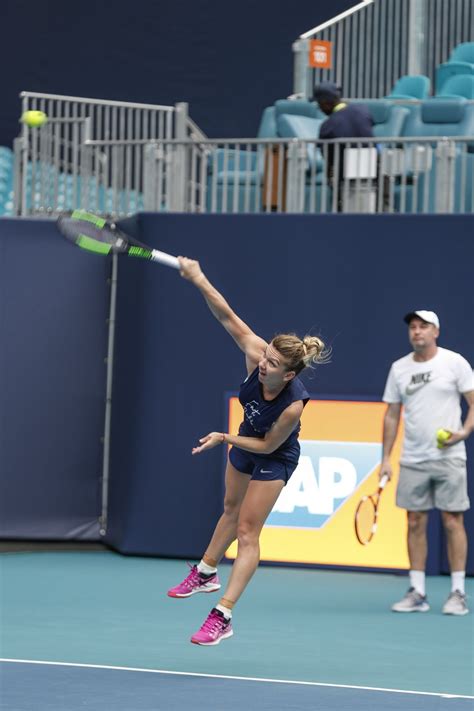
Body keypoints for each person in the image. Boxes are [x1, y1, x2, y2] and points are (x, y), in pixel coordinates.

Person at [167, 256, 328, 645]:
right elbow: (226, 315)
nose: (262, 363)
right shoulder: (257, 354)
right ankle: (206, 572)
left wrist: (225, 438)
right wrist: (199, 277)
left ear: (288, 374)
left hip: (273, 455)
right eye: (265, 355)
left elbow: (269, 445)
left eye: (272, 363)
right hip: (244, 438)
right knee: (229, 510)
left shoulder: (292, 405)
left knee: (247, 531)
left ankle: (222, 615)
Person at [381, 310, 474, 615]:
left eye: (423, 327)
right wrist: (385, 459)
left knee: (452, 521)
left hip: (449, 457)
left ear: (436, 332)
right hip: (413, 459)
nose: (417, 332)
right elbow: (392, 414)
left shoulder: (454, 362)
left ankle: (458, 592)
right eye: (413, 327)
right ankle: (417, 591)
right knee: (414, 522)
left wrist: (464, 432)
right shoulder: (399, 369)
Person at [313, 81, 375, 211]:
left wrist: (331, 180)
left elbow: (329, 160)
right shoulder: (363, 110)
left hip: (345, 179)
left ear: (325, 103)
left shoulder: (327, 127)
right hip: (375, 173)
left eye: (319, 104)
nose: (320, 108)